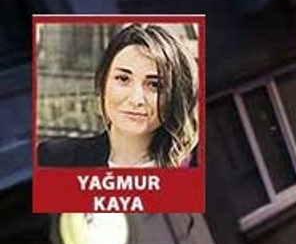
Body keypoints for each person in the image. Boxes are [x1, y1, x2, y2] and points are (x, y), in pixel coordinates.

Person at [38, 24, 198, 167]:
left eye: (155, 85)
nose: (136, 100)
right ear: (103, 84)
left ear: (174, 96)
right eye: (123, 79)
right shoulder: (55, 159)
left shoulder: (193, 168)